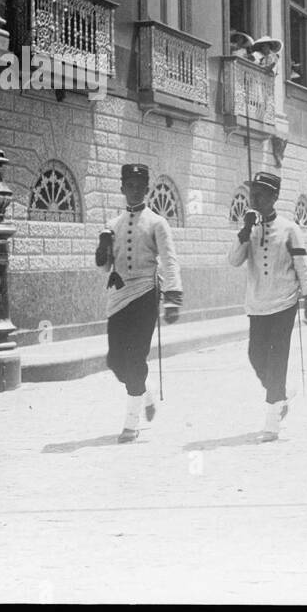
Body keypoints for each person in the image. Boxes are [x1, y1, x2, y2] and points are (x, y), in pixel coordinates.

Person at [226, 171, 307, 441]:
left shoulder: (290, 229)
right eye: (252, 195)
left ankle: (272, 421)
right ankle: (280, 394)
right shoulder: (249, 228)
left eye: (260, 195)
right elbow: (233, 261)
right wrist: (244, 231)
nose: (254, 199)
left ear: (274, 197)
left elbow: (302, 264)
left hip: (285, 301)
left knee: (277, 358)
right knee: (256, 356)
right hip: (257, 304)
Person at [95, 163, 183, 442]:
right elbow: (103, 267)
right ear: (122, 188)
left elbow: (169, 260)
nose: (133, 190)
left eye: (139, 186)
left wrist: (172, 298)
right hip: (119, 298)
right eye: (129, 186)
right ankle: (144, 391)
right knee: (115, 361)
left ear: (147, 189)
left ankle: (131, 423)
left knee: (135, 357)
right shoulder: (112, 225)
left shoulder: (158, 223)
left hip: (146, 295)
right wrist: (102, 246)